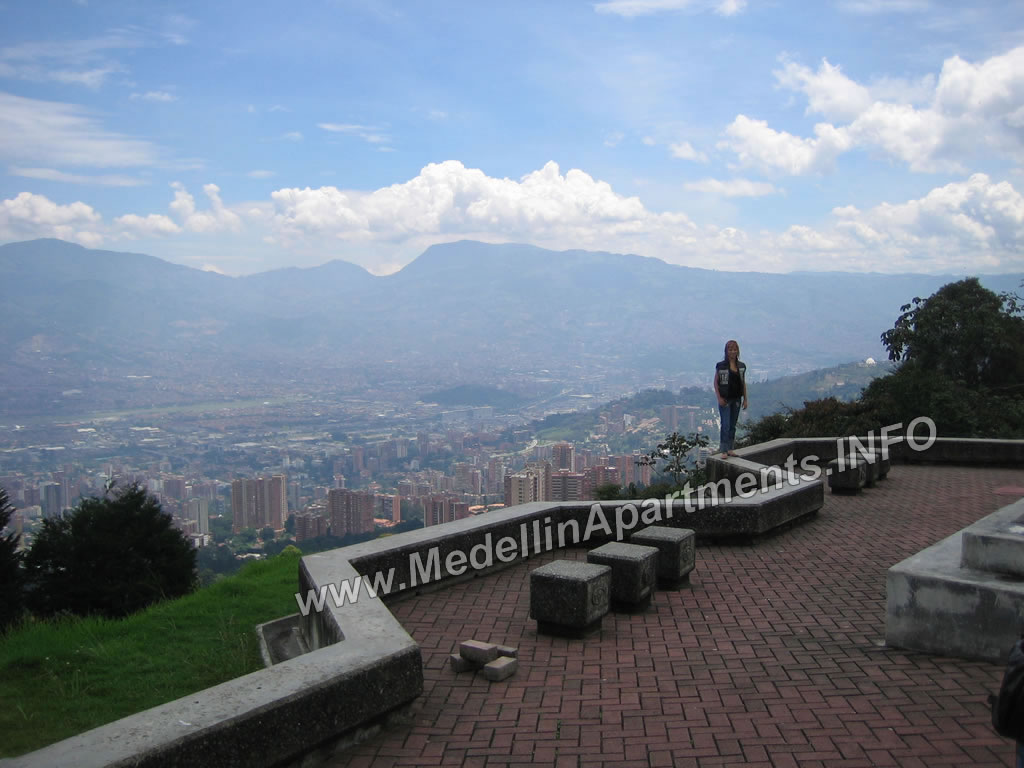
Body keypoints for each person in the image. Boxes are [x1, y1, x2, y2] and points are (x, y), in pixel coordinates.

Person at [714, 339, 748, 456]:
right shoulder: (721, 366)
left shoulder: (741, 366)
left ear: (737, 351)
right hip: (725, 399)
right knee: (726, 424)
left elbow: (743, 383)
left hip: (737, 398)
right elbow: (716, 382)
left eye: (734, 349)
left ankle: (730, 448)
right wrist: (719, 398)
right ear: (726, 351)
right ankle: (723, 450)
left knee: (733, 425)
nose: (732, 352)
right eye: (730, 349)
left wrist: (745, 399)